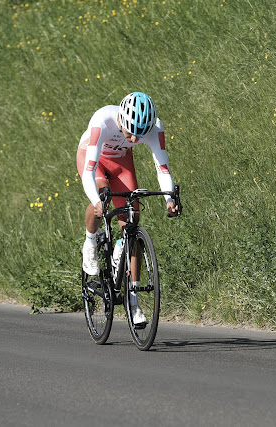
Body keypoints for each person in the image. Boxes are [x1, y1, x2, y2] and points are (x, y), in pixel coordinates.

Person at [76, 92, 178, 326]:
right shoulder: (102, 120)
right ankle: (90, 242)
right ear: (121, 120)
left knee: (132, 225)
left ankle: (133, 303)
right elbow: (89, 171)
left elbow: (162, 167)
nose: (133, 139)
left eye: (139, 135)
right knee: (102, 198)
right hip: (95, 161)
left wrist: (169, 199)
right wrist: (96, 201)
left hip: (122, 164)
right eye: (130, 132)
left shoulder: (154, 128)